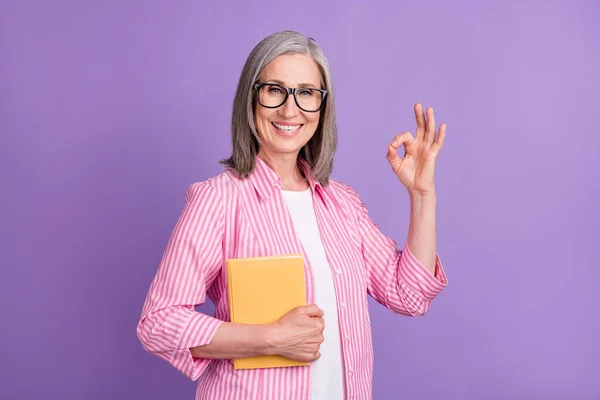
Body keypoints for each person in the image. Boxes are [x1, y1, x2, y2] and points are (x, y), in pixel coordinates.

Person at [137, 30, 448, 400]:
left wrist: (421, 195)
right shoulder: (218, 199)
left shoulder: (342, 203)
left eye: (306, 92)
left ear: (323, 105)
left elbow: (409, 295)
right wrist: (271, 338)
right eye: (274, 90)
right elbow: (159, 323)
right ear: (251, 99)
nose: (290, 109)